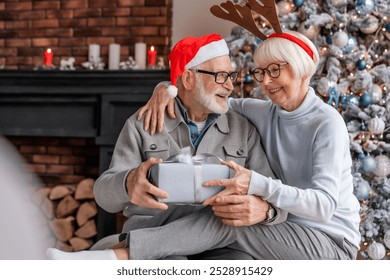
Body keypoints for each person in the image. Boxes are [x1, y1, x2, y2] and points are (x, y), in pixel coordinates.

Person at [46, 33, 286, 260]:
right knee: (171, 265)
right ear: (189, 78)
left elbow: (277, 195)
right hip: (152, 231)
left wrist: (266, 210)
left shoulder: (243, 129)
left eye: (231, 76)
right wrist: (128, 183)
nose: (230, 86)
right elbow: (104, 196)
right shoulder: (144, 123)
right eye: (220, 76)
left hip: (220, 244)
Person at [131, 30, 362, 260]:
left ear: (300, 67)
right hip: (281, 232)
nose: (266, 82)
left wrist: (256, 183)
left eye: (274, 70)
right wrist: (166, 88)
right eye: (261, 72)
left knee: (231, 221)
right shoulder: (263, 111)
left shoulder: (327, 123)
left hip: (330, 241)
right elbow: (206, 95)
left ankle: (124, 252)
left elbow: (324, 206)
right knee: (229, 218)